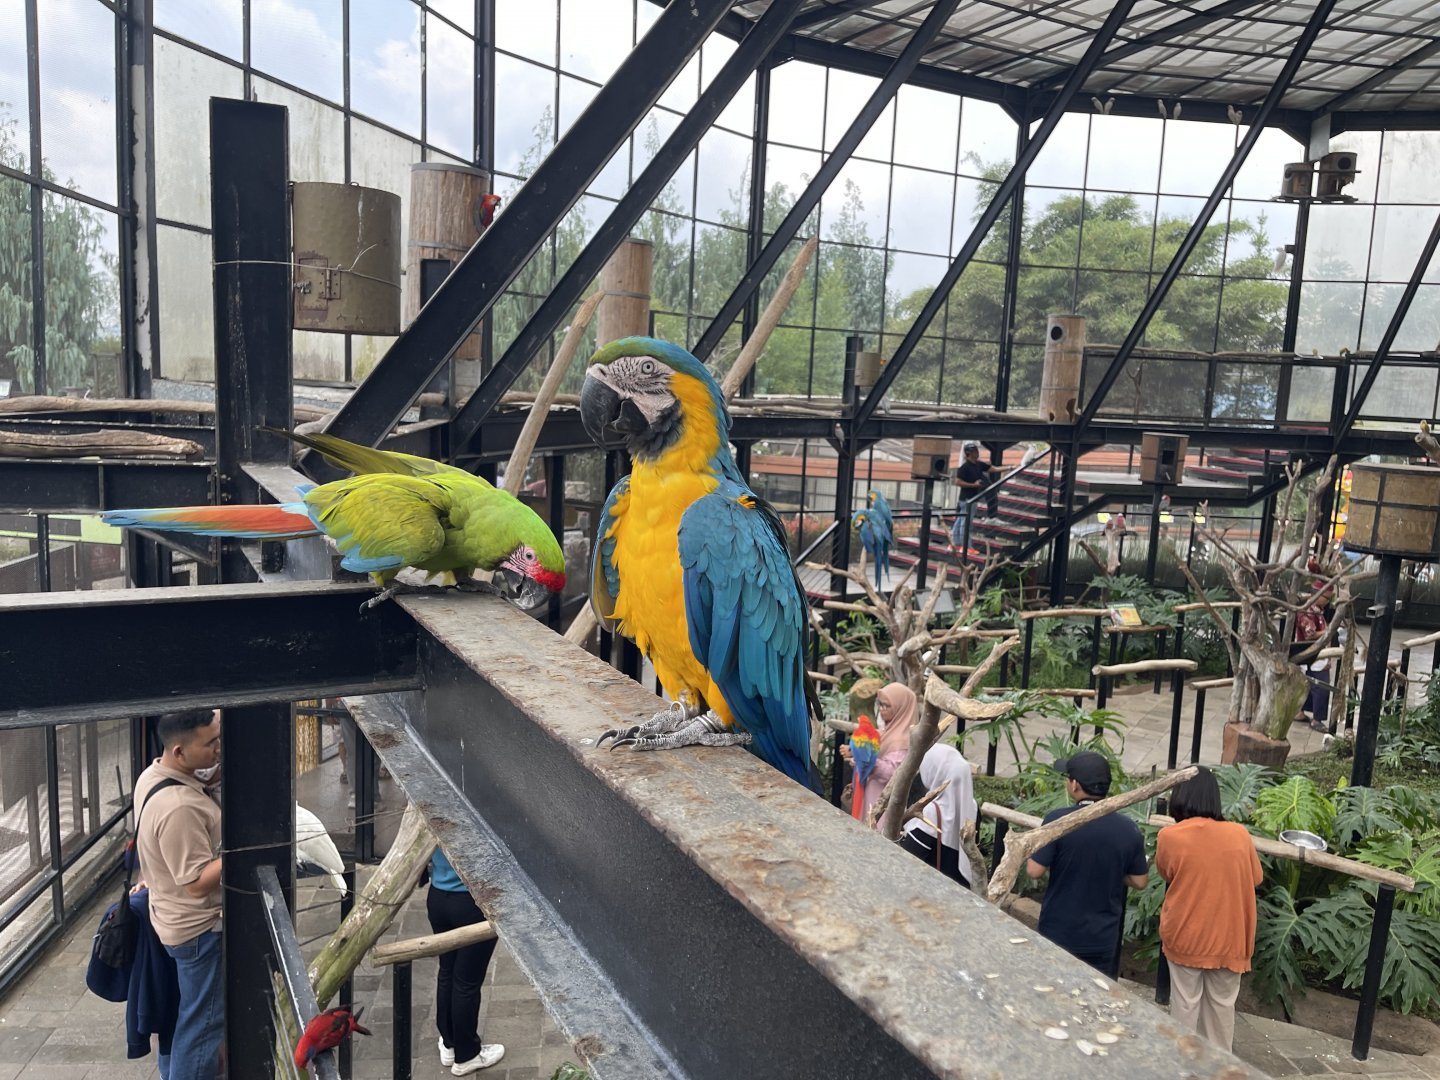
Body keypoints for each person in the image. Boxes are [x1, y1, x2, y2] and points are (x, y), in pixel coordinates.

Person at [133, 709, 224, 1080]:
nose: (219, 749)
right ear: (179, 753)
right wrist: (242, 847)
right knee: (203, 1025)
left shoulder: (152, 775)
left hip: (169, 916)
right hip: (198, 930)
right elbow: (197, 881)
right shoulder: (180, 807)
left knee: (187, 1014)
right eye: (211, 743)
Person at [1155, 767, 1263, 1052]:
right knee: (1222, 1012)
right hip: (1231, 938)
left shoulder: (1170, 836)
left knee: (1185, 1007)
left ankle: (1184, 1067)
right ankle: (1219, 1070)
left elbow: (1166, 872)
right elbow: (1256, 878)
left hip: (1186, 934)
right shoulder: (1239, 835)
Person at [1025, 751, 1149, 978]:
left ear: (1075, 785)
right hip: (1102, 936)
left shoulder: (1058, 820)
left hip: (1058, 931)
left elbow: (1034, 870)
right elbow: (1140, 881)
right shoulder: (1127, 828)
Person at [428, 848, 505, 1075]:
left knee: (447, 972)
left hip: (438, 898)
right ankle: (467, 1055)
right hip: (472, 904)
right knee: (467, 983)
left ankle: (449, 1042)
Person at [899, 742, 977, 888]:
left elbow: (910, 854)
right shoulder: (972, 805)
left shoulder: (932, 811)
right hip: (960, 885)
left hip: (933, 887)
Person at [840, 682, 918, 823]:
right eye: (880, 705)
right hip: (869, 796)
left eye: (887, 706)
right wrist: (855, 751)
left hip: (882, 804)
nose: (882, 710)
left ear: (901, 709)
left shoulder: (902, 741)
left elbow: (892, 773)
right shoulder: (887, 732)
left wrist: (866, 761)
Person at [951, 441, 1000, 551]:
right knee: (966, 523)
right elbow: (957, 482)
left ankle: (955, 544)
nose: (977, 452)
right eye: (974, 451)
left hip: (971, 498)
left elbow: (993, 468)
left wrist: (1010, 468)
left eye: (977, 450)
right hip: (967, 499)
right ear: (969, 453)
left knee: (960, 520)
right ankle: (966, 547)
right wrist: (973, 485)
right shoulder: (964, 467)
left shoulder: (978, 464)